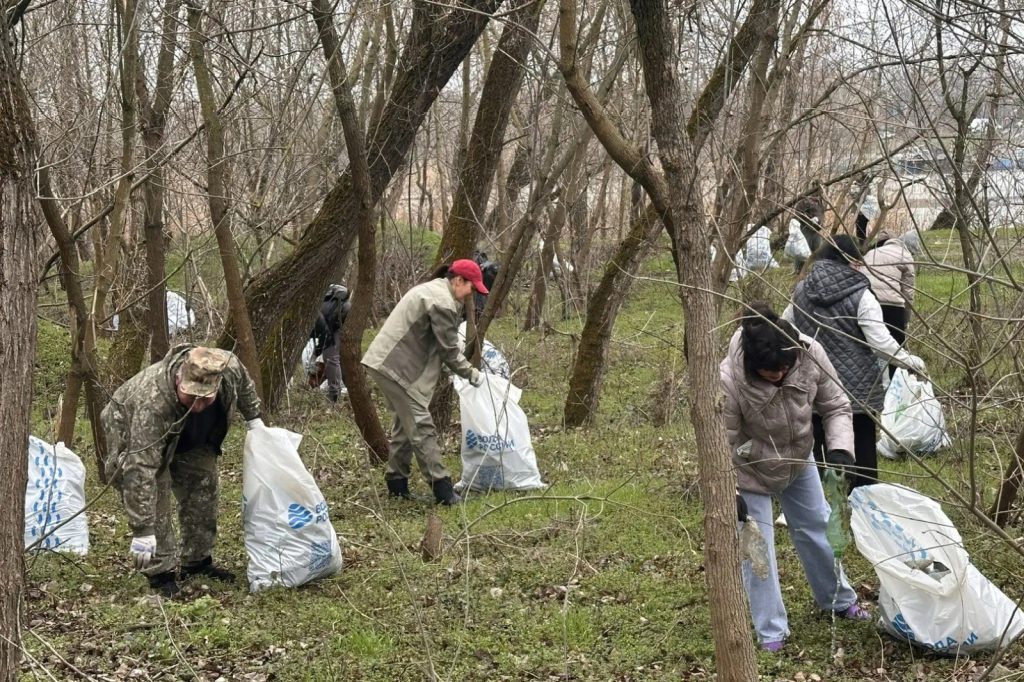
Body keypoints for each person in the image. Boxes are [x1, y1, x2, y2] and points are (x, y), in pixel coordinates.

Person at [722, 302, 870, 652]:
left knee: (818, 527)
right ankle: (771, 631)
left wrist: (839, 450)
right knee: (758, 551)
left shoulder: (809, 353)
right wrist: (729, 490)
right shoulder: (728, 379)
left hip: (798, 458)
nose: (779, 376)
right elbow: (719, 440)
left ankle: (837, 599)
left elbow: (835, 404)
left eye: (784, 370)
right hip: (750, 469)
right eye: (770, 373)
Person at [101, 345, 264, 597]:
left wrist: (254, 419)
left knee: (203, 488)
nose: (197, 405)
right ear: (179, 378)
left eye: (205, 398)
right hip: (132, 431)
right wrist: (142, 530)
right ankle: (160, 572)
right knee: (157, 492)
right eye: (191, 396)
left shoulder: (228, 367)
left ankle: (197, 561)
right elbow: (140, 467)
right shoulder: (152, 400)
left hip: (192, 436)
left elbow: (244, 385)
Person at [784, 235, 926, 490]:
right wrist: (908, 361)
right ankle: (863, 500)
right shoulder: (861, 294)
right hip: (856, 389)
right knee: (861, 446)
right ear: (852, 261)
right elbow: (880, 341)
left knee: (816, 443)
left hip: (813, 383)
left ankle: (817, 498)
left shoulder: (801, 290)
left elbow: (787, 329)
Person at [361, 259, 486, 505]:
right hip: (396, 368)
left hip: (387, 363)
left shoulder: (432, 290)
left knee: (404, 427)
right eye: (471, 287)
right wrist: (473, 374)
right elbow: (448, 351)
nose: (471, 294)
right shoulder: (442, 302)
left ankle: (397, 484)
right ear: (458, 280)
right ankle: (443, 490)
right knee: (421, 427)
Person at [860, 230, 920, 377]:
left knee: (870, 347)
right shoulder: (905, 256)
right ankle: (896, 385)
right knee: (896, 350)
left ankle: (873, 383)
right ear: (910, 248)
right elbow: (908, 294)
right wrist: (905, 320)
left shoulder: (871, 253)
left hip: (866, 303)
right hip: (892, 307)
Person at [311, 284, 352, 401]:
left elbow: (326, 335)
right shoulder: (325, 306)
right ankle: (344, 388)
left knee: (330, 357)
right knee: (335, 357)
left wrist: (316, 353)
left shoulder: (319, 312)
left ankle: (334, 394)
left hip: (336, 324)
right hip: (339, 322)